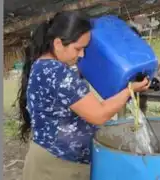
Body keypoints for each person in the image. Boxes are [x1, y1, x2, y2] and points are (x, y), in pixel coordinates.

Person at [17, 10, 150, 180]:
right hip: (56, 167)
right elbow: (99, 114)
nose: (82, 54)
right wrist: (129, 90)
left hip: (59, 160)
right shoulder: (56, 72)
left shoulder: (48, 65)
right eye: (78, 48)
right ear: (58, 44)